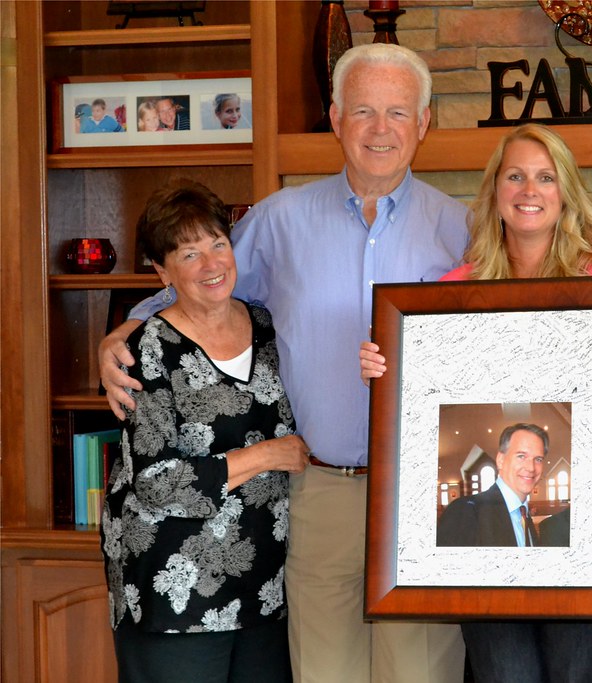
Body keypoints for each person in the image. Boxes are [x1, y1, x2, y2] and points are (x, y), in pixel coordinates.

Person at [97, 44, 468, 683]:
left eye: (398, 113)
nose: (381, 129)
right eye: (363, 112)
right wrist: (125, 329)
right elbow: (202, 277)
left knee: (421, 673)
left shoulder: (462, 228)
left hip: (423, 495)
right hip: (318, 490)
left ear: (424, 123)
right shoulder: (280, 219)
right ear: (334, 118)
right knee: (327, 671)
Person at [361, 122, 592, 683]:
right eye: (516, 176)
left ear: (565, 191)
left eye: (546, 178)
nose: (530, 189)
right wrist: (388, 368)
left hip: (591, 550)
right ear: (495, 191)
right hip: (484, 573)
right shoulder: (458, 285)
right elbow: (423, 394)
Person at [100, 180, 309, 682]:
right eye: (189, 254)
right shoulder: (146, 349)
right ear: (160, 270)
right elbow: (156, 482)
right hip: (175, 593)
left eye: (218, 245)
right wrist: (267, 455)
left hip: (264, 586)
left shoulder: (266, 325)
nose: (212, 265)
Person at [437, 423, 549, 547]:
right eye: (521, 456)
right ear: (500, 460)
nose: (531, 467)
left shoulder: (524, 514)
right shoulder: (465, 512)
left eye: (538, 459)